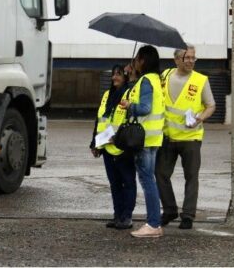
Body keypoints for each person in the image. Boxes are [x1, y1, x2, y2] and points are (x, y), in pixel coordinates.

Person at [155, 45, 215, 230]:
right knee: (161, 174)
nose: (190, 61)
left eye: (193, 58)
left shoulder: (200, 80)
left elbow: (211, 105)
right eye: (186, 57)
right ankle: (170, 210)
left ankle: (188, 215)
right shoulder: (165, 76)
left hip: (191, 138)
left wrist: (200, 119)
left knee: (191, 177)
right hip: (168, 137)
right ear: (176, 60)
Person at [120, 45, 165, 238]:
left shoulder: (146, 80)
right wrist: (131, 79)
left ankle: (153, 224)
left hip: (144, 139)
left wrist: (130, 105)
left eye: (137, 59)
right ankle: (154, 223)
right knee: (150, 180)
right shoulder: (155, 80)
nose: (135, 62)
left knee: (148, 182)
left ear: (143, 61)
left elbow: (145, 108)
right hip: (153, 137)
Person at [89, 64, 136, 230]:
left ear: (125, 77)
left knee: (128, 182)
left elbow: (131, 121)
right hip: (107, 146)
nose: (115, 77)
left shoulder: (130, 95)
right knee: (115, 184)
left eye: (118, 74)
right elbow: (100, 120)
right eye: (113, 74)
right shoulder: (107, 95)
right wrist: (95, 143)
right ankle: (118, 216)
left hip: (123, 148)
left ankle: (127, 217)